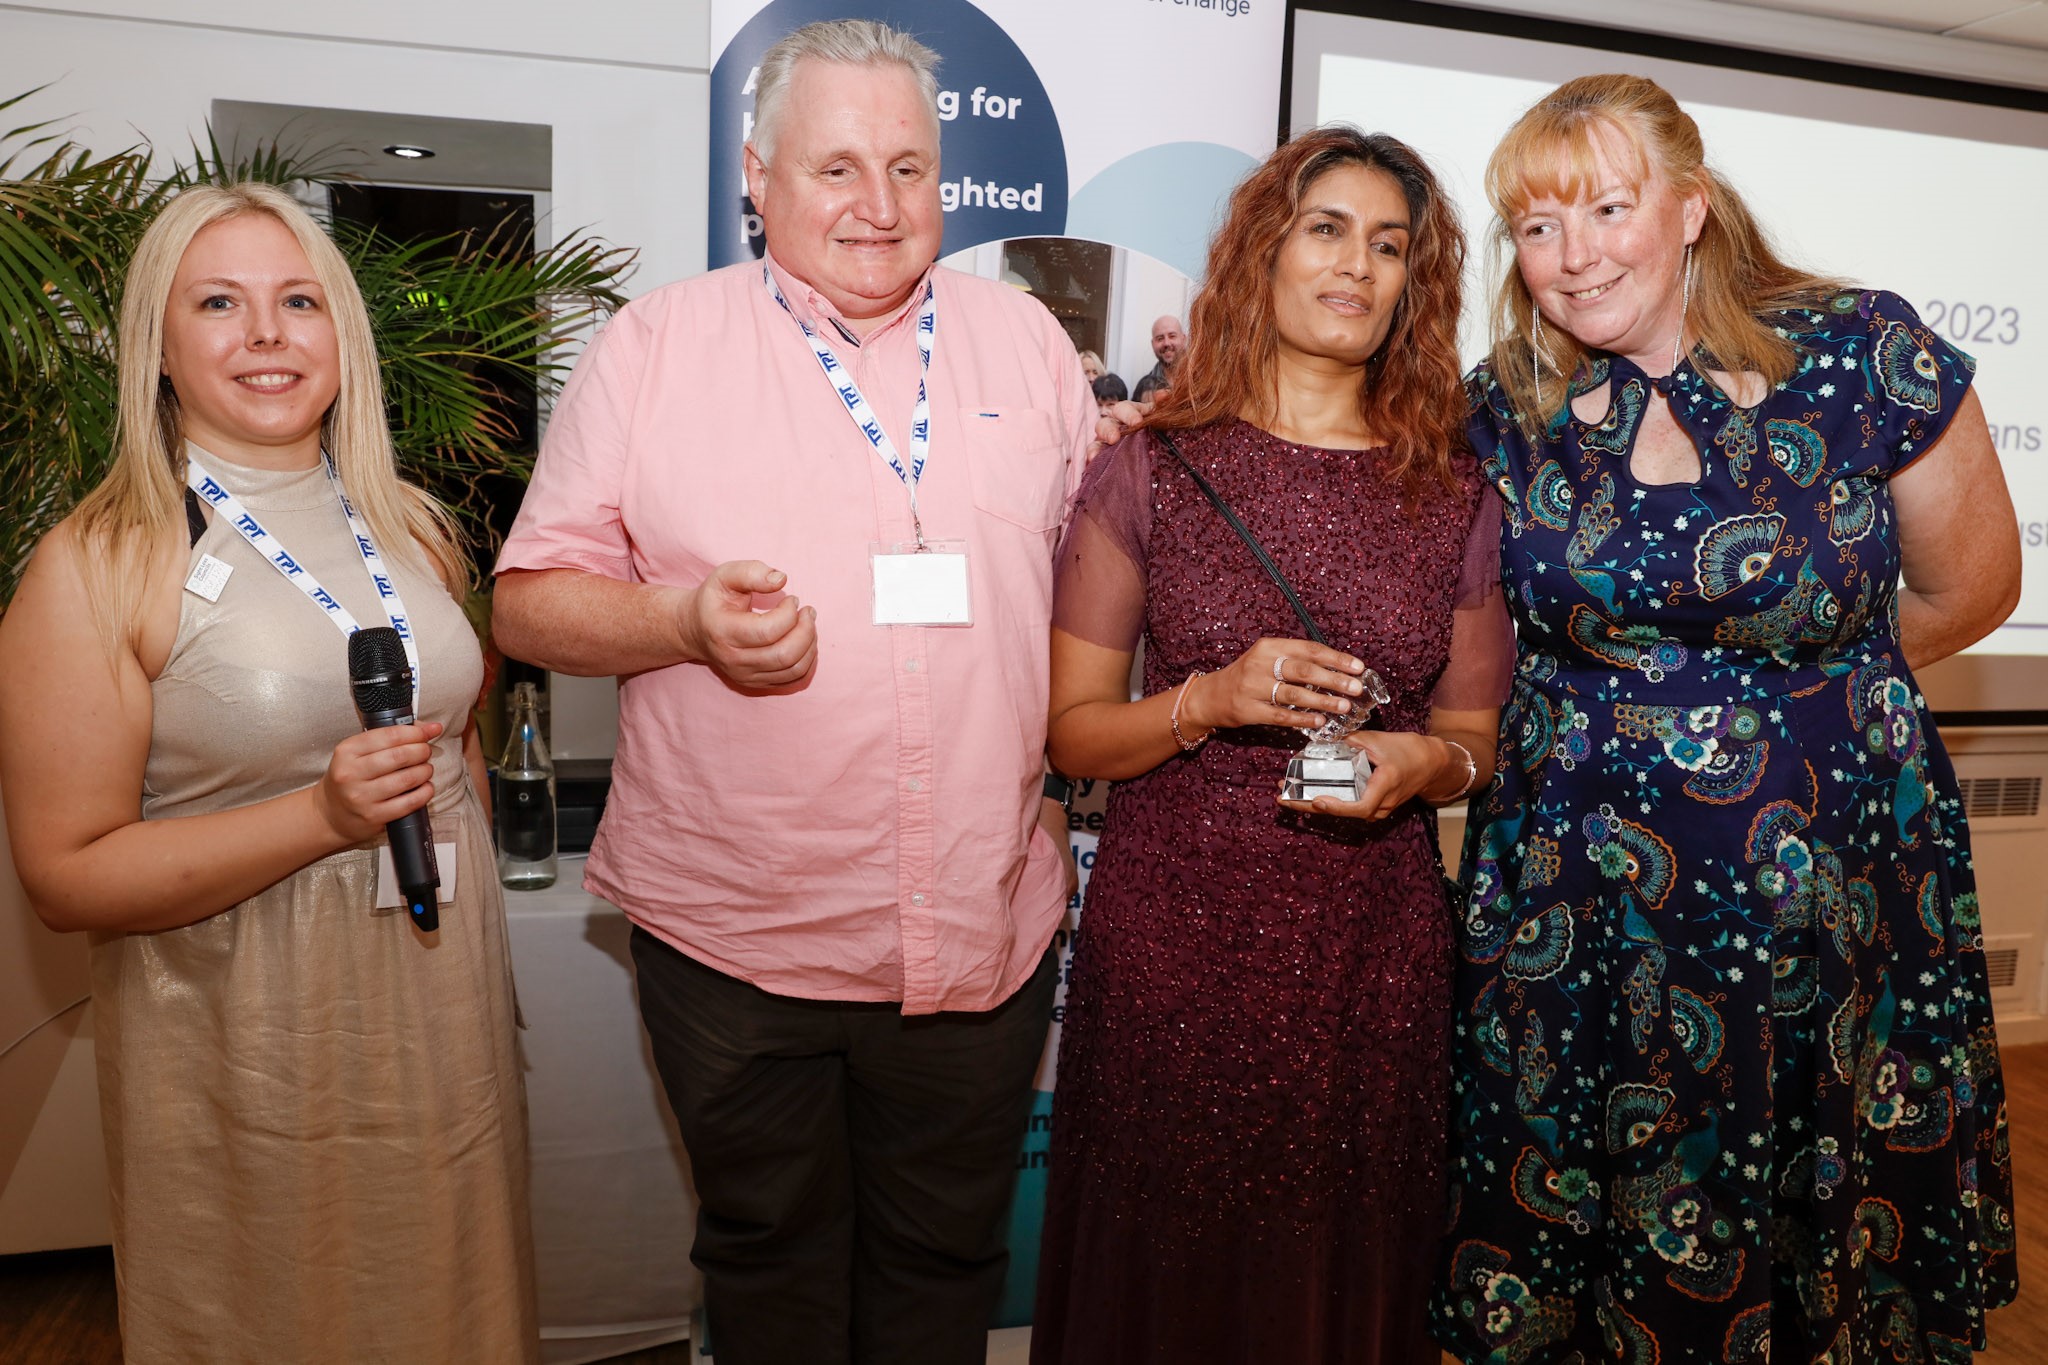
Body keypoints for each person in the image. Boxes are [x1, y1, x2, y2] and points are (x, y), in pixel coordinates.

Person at [488, 19, 1094, 1365]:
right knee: (770, 1272)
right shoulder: (653, 351)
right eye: (835, 169)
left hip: (978, 938)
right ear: (756, 179)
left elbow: (1092, 605)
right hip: (736, 944)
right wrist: (683, 621)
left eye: (910, 168)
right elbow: (527, 598)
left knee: (943, 1274)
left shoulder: (1031, 350)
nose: (878, 208)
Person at [1431, 75, 2021, 1364]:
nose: (1573, 252)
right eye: (1536, 226)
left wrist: (1795, 702)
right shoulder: (1497, 410)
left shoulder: (1864, 351)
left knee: (1820, 1201)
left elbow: (1973, 587)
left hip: (1834, 878)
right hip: (1573, 899)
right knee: (1581, 1198)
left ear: (1689, 210)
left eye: (1605, 206)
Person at [0, 184, 536, 1363]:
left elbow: (451, 756)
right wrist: (321, 816)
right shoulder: (96, 565)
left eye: (299, 300)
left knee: (454, 1312)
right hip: (245, 1054)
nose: (266, 334)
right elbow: (65, 879)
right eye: (220, 303)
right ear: (159, 342)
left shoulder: (416, 526)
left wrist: (491, 985)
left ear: (340, 331)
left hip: (442, 1034)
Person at [1031, 127, 1515, 1365]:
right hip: (1171, 949)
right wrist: (1207, 699)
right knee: (1165, 1263)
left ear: (1415, 283)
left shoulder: (1452, 493)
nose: (1358, 265)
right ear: (1265, 251)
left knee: (1336, 1265)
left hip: (1369, 957)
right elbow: (1073, 734)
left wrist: (1424, 768)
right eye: (1326, 229)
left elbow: (1473, 741)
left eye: (1390, 244)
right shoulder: (1153, 468)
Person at [1133, 312, 1186, 402]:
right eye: (1160, 338)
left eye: (1172, 336)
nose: (1166, 343)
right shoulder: (1145, 386)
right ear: (1153, 344)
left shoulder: (1202, 377)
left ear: (1184, 339)